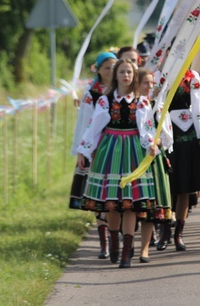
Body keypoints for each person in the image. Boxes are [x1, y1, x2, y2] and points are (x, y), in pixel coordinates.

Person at [76, 60, 157, 268]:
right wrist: (83, 151)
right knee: (112, 202)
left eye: (129, 72)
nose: (126, 75)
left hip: (133, 151)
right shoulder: (105, 100)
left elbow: (146, 127)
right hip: (110, 149)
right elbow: (94, 128)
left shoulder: (141, 101)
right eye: (122, 71)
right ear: (116, 75)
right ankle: (114, 242)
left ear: (134, 75)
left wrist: (151, 144)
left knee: (130, 203)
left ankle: (127, 252)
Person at [68, 51, 117, 259]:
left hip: (118, 146)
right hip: (97, 149)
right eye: (107, 67)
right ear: (98, 71)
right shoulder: (92, 95)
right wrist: (83, 150)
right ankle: (104, 242)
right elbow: (85, 123)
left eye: (114, 67)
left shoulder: (121, 91)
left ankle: (117, 236)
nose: (111, 71)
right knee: (100, 195)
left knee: (116, 193)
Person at [166, 67, 200, 251]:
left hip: (188, 134)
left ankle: (179, 232)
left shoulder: (192, 76)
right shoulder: (160, 75)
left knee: (184, 186)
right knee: (167, 185)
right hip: (166, 133)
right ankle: (163, 228)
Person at [136, 68, 173, 263]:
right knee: (132, 204)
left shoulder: (158, 106)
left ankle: (144, 250)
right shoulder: (133, 105)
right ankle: (124, 244)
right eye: (145, 83)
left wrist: (158, 142)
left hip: (153, 156)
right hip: (134, 155)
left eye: (152, 83)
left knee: (151, 206)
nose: (150, 87)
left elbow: (166, 133)